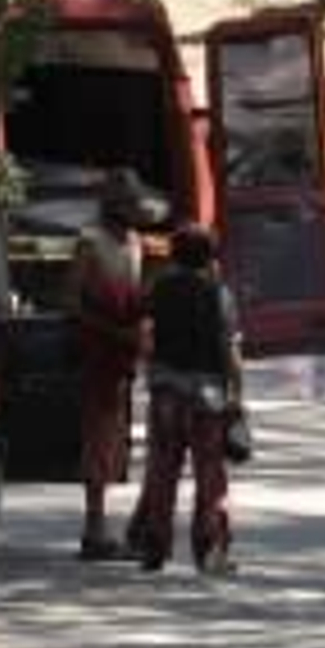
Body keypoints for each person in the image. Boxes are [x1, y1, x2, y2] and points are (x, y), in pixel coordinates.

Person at [131, 224, 244, 576]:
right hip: (206, 396)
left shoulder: (158, 289)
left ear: (174, 255)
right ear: (210, 257)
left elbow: (146, 337)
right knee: (210, 475)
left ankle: (154, 546)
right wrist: (236, 396)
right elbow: (229, 349)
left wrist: (153, 373)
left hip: (166, 392)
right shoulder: (218, 293)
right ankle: (209, 549)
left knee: (161, 471)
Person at [69, 167, 166, 562]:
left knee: (115, 442)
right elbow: (72, 301)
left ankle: (106, 528)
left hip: (125, 353)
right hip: (98, 353)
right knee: (98, 438)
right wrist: (112, 330)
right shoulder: (89, 242)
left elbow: (136, 296)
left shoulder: (136, 242)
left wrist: (142, 330)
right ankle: (94, 528)